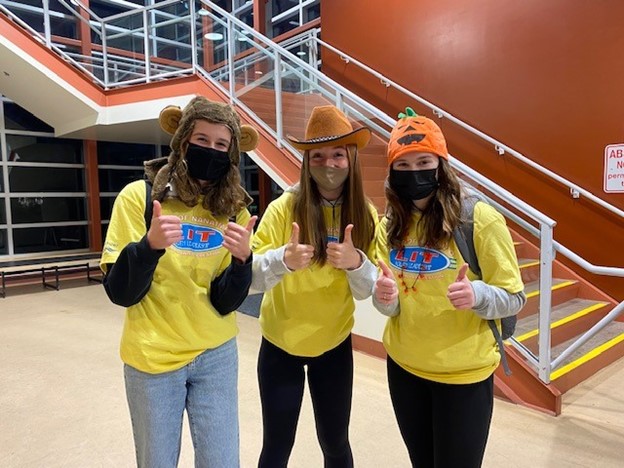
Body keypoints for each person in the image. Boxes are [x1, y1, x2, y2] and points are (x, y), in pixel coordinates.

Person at [100, 96, 259, 467]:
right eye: (202, 140)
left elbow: (224, 300)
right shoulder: (140, 196)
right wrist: (149, 247)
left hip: (216, 354)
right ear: (183, 141)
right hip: (152, 358)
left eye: (222, 144)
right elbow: (120, 292)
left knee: (222, 461)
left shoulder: (234, 208)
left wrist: (242, 263)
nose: (212, 151)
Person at [372, 107, 526, 468]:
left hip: (463, 376)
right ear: (392, 172)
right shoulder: (390, 225)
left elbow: (514, 296)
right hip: (405, 368)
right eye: (403, 166)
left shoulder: (478, 219)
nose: (414, 173)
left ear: (441, 165)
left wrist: (478, 296)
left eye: (424, 162)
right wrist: (385, 299)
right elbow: (393, 305)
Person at [251, 105, 378, 467]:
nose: (329, 164)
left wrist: (356, 263)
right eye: (318, 155)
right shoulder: (283, 209)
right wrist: (282, 261)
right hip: (280, 345)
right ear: (306, 161)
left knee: (336, 443)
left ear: (351, 158)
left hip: (334, 346)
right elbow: (250, 279)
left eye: (338, 154)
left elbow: (369, 289)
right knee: (277, 445)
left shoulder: (365, 213)